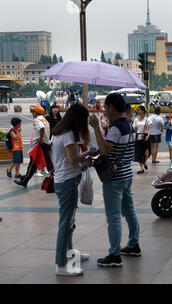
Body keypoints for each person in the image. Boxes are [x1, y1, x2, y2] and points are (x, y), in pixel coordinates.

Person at [88, 93, 140, 267]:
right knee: (130, 211)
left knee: (114, 216)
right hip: (126, 174)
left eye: (105, 107)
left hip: (114, 178)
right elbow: (118, 149)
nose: (104, 110)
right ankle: (133, 244)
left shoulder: (116, 128)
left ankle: (115, 255)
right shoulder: (129, 126)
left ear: (111, 107)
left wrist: (95, 127)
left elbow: (105, 149)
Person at [52, 104, 96, 276]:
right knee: (65, 222)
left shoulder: (57, 132)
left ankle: (70, 253)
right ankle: (61, 264)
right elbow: (72, 160)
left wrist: (82, 163)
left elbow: (63, 160)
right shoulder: (68, 134)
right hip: (67, 182)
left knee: (69, 220)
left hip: (65, 179)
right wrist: (88, 154)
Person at [14, 105, 54, 188]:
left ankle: (25, 180)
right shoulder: (44, 119)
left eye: (33, 111)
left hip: (40, 144)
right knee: (45, 163)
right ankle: (25, 179)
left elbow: (42, 129)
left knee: (33, 163)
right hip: (45, 144)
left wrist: (40, 139)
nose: (32, 113)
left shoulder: (37, 120)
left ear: (37, 112)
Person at [133, 105, 151, 174]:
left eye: (139, 110)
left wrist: (148, 136)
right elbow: (135, 129)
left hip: (146, 136)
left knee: (147, 152)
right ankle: (141, 168)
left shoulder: (147, 119)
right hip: (138, 136)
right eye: (138, 110)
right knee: (138, 152)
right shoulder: (136, 120)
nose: (138, 111)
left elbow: (149, 129)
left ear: (143, 111)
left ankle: (144, 162)